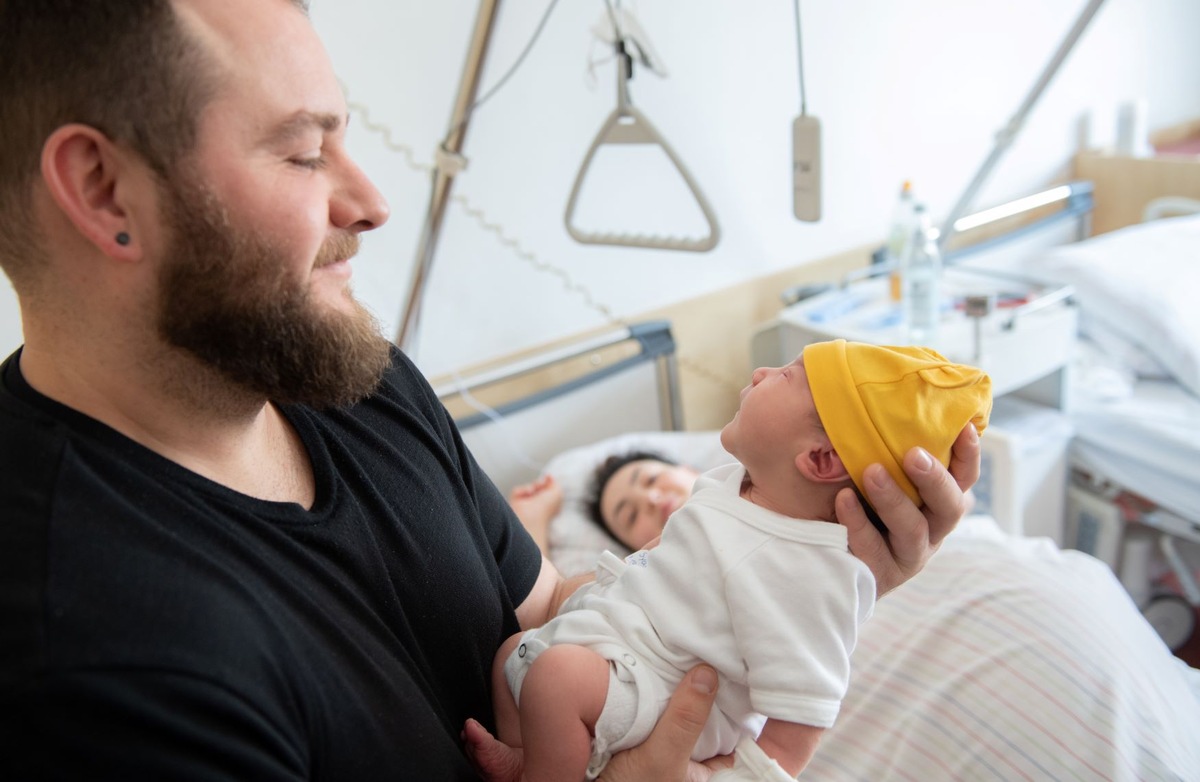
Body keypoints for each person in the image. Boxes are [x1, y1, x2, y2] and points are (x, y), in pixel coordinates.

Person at [0, 2, 981, 780]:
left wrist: (822, 560)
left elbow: (541, 603)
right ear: (103, 190)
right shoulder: (97, 668)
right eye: (304, 151)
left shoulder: (354, 381)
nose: (371, 200)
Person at [486, 341, 992, 781]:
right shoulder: (731, 485)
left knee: (554, 680)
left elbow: (803, 718)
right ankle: (533, 762)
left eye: (786, 375)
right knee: (514, 653)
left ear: (819, 459)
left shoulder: (811, 574)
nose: (760, 374)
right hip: (621, 644)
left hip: (663, 687)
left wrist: (729, 776)